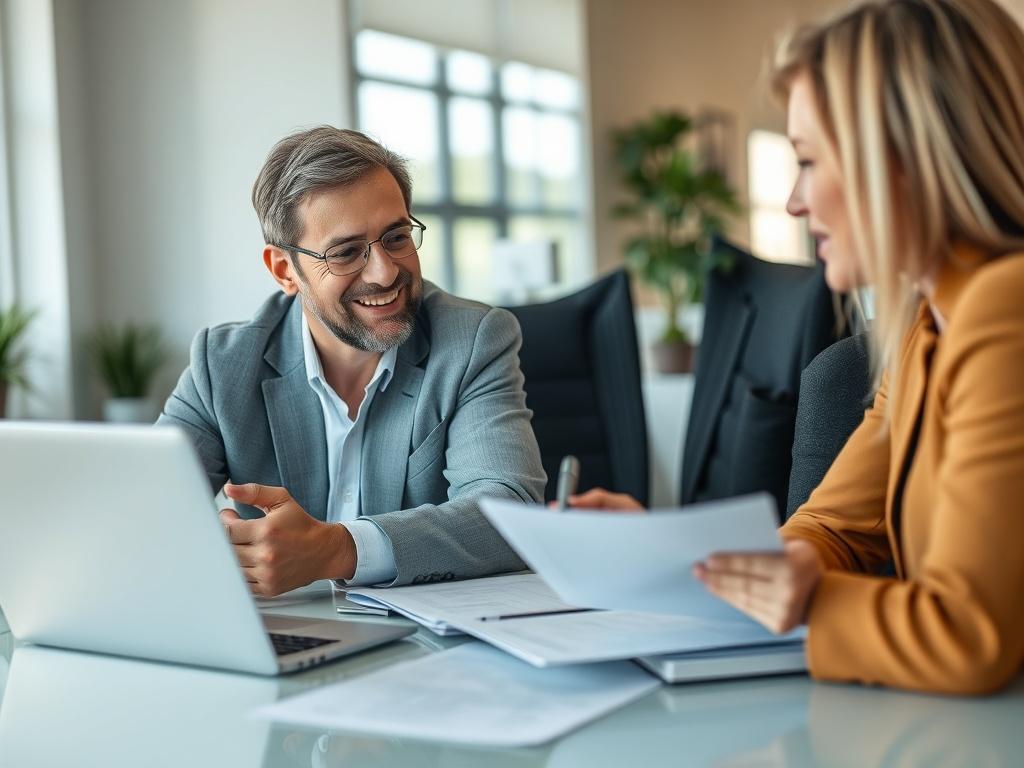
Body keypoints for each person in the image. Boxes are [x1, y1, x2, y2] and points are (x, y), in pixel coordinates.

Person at [582, 0, 1024, 694]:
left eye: (809, 161)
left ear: (903, 161)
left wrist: (808, 601)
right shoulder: (925, 324)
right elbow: (833, 527)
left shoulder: (1007, 307)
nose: (793, 201)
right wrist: (681, 557)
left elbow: (967, 635)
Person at [158, 126, 545, 596]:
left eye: (396, 237)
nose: (384, 272)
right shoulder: (222, 366)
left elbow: (508, 513)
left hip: (424, 647)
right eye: (345, 253)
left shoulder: (472, 342)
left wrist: (338, 549)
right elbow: (141, 510)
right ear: (285, 271)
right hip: (282, 635)